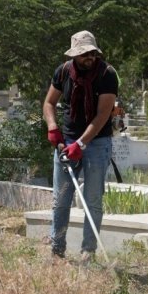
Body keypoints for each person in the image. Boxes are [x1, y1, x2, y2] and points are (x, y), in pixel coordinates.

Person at [43, 30, 118, 261]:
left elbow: (103, 114)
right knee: (61, 199)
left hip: (96, 143)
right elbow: (49, 102)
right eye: (84, 53)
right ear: (75, 55)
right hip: (65, 144)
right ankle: (57, 249)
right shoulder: (64, 72)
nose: (89, 57)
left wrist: (81, 144)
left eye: (93, 53)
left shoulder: (107, 74)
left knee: (92, 199)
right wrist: (53, 127)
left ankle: (88, 251)